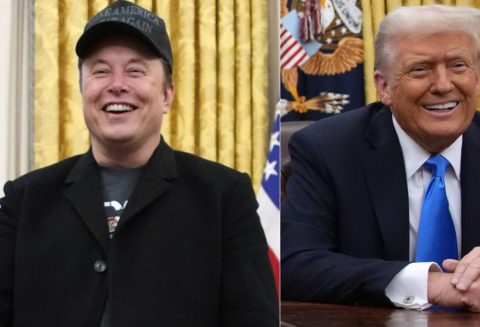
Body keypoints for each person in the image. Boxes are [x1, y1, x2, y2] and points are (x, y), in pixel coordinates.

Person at [0, 1, 278, 326]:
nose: (117, 84)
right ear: (82, 89)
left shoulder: (224, 196)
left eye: (135, 70)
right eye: (101, 70)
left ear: (167, 94)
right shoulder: (25, 199)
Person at [281, 4, 480, 313]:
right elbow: (296, 264)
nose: (442, 85)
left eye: (458, 66)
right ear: (384, 87)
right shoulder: (327, 150)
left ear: (478, 79)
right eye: (420, 69)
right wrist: (430, 284)